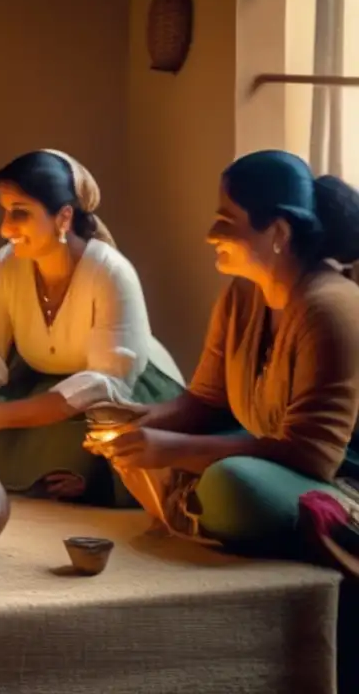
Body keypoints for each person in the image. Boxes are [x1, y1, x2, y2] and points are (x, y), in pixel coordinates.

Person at [88, 149, 359, 559]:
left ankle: (214, 507)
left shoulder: (329, 307)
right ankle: (200, 508)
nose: (210, 234)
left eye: (226, 222)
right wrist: (138, 423)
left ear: (279, 233)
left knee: (231, 484)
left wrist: (172, 449)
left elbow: (313, 454)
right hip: (269, 454)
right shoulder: (242, 293)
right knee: (137, 442)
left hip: (337, 479)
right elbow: (206, 401)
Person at [0, 149, 184, 507]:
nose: (5, 227)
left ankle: (90, 479)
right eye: (5, 211)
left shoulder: (110, 271)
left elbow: (107, 381)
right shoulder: (5, 265)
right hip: (44, 383)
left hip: (124, 394)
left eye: (20, 213)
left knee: (98, 442)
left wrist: (2, 415)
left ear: (63, 218)